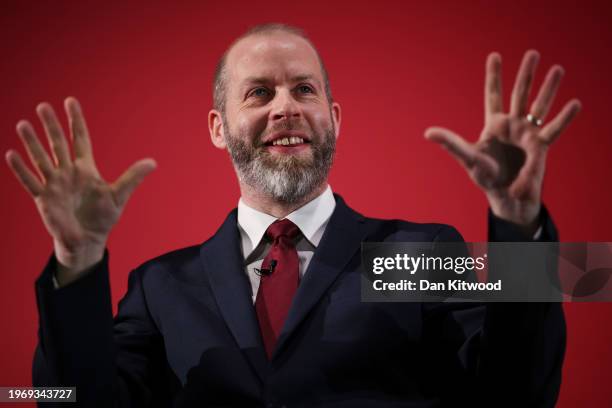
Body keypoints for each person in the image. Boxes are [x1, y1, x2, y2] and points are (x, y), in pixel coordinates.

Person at [5, 23, 580, 407]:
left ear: (332, 118)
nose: (285, 107)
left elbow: (521, 393)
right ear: (218, 128)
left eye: (303, 90)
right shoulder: (160, 287)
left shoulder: (416, 254)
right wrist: (76, 262)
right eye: (258, 93)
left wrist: (519, 227)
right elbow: (63, 399)